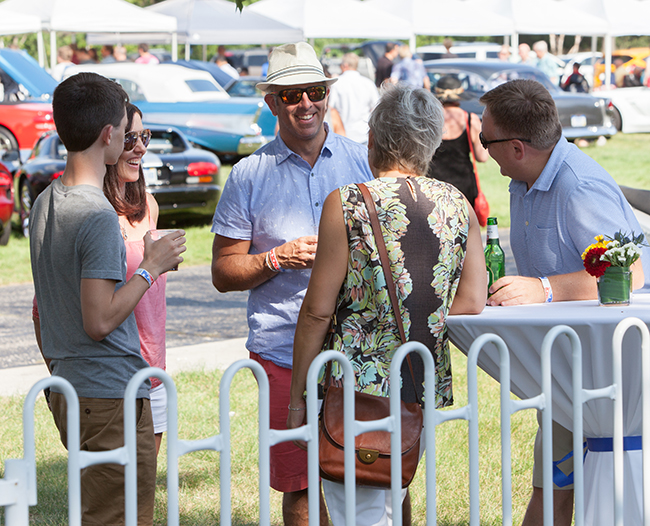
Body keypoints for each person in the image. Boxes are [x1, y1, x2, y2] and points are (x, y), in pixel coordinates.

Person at [288, 83, 486, 525]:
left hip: (353, 384)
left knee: (355, 510)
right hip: (418, 380)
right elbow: (472, 300)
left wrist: (299, 396)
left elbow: (318, 310)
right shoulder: (458, 204)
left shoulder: (348, 202)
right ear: (432, 141)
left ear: (373, 138)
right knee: (391, 502)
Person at [210, 41, 373, 526]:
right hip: (282, 351)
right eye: (291, 94)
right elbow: (223, 272)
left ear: (328, 94)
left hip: (358, 352)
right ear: (271, 103)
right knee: (300, 486)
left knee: (376, 473)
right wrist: (276, 259)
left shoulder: (362, 162)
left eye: (315, 91)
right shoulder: (248, 175)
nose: (306, 103)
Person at [479, 79, 649, 526]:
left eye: (484, 139)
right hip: (572, 370)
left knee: (564, 486)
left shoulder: (578, 186)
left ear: (517, 147)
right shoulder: (526, 177)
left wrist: (545, 288)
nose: (480, 149)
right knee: (552, 485)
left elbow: (628, 271)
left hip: (610, 377)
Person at [29, 72, 184, 525]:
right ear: (108, 134)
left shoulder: (46, 201)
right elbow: (99, 320)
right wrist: (150, 267)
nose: (132, 139)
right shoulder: (96, 214)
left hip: (74, 388)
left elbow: (46, 312)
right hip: (109, 393)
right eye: (125, 127)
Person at [104, 103, 170, 455]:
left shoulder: (148, 204)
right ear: (108, 140)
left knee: (143, 489)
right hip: (110, 380)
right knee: (112, 492)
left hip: (153, 374)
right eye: (131, 138)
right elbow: (44, 309)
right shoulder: (92, 213)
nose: (141, 147)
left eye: (145, 136)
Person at [427, 75, 488, 209]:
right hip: (464, 185)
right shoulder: (470, 120)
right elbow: (482, 157)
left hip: (434, 185)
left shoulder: (429, 120)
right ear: (459, 95)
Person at [328, 53, 379, 145]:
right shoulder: (368, 83)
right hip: (364, 134)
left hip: (343, 134)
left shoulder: (337, 83)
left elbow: (330, 108)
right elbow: (376, 108)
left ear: (345, 65)